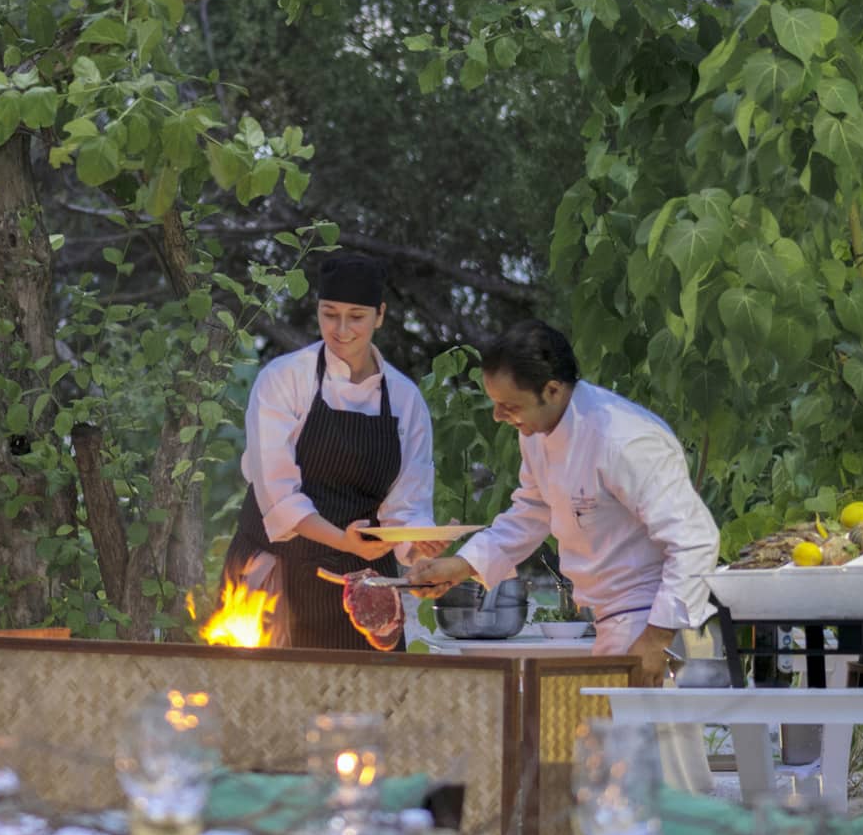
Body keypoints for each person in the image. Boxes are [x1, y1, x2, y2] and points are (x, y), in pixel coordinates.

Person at [410, 320, 719, 682]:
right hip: (612, 618)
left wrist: (656, 639)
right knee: (603, 737)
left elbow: (696, 540)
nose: (497, 417)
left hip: (655, 617)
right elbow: (530, 513)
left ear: (553, 390)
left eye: (508, 406)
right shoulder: (537, 434)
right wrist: (460, 565)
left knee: (640, 740)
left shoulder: (623, 438)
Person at [221, 251, 435, 650]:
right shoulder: (284, 380)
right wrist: (341, 539)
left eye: (356, 316)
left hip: (363, 585)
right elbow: (277, 496)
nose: (341, 329)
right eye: (329, 314)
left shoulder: (405, 399)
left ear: (380, 315)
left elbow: (407, 504)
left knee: (369, 706)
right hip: (276, 579)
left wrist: (419, 547)